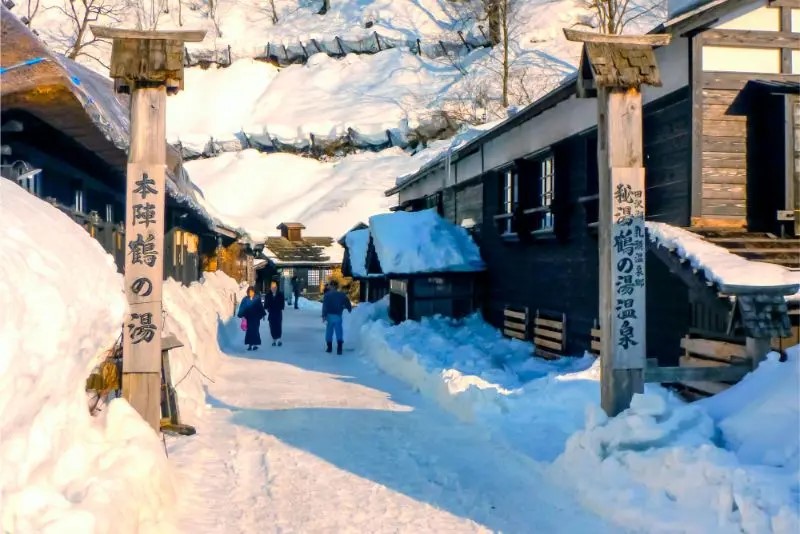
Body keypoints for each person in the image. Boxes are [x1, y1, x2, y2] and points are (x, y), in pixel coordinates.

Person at [321, 280, 352, 355]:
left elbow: (324, 306)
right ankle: (339, 347)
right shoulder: (341, 295)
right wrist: (349, 308)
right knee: (339, 331)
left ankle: (329, 347)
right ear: (337, 287)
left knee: (329, 331)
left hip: (329, 315)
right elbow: (347, 302)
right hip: (338, 315)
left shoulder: (327, 295)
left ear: (331, 286)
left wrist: (324, 315)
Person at [237, 286, 266, 351]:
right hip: (248, 318)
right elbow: (242, 307)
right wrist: (241, 315)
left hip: (256, 318)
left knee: (255, 330)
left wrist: (263, 314)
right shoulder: (245, 299)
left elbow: (260, 307)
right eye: (249, 292)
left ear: (254, 292)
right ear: (248, 292)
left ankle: (255, 344)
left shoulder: (257, 299)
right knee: (249, 331)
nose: (251, 293)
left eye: (252, 292)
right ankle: (250, 344)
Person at [264, 280, 286, 346]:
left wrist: (277, 305)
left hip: (278, 312)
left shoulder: (280, 295)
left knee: (278, 325)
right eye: (272, 287)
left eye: (275, 286)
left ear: (277, 287)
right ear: (270, 287)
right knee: (272, 326)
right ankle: (274, 339)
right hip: (271, 313)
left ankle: (278, 339)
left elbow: (282, 305)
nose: (273, 288)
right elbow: (265, 305)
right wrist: (268, 307)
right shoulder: (268, 295)